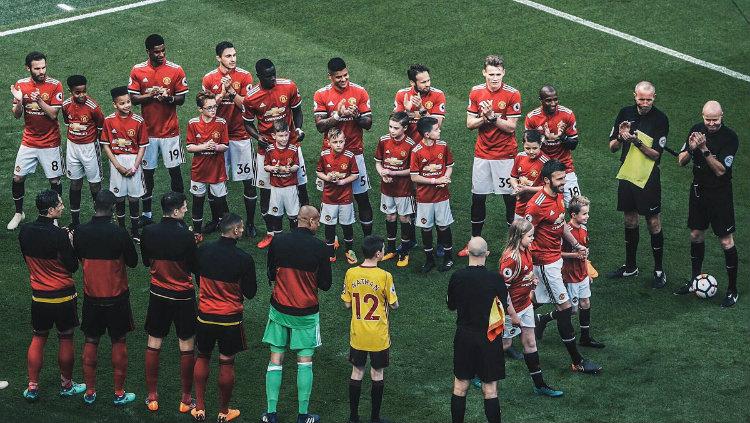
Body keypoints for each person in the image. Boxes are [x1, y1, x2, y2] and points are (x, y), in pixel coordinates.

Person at [527, 160, 601, 374]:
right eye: (560, 179)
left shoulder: (558, 197)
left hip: (554, 260)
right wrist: (529, 265)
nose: (564, 182)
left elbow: (560, 227)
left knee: (533, 301)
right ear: (547, 180)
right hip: (545, 263)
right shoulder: (536, 204)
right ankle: (577, 361)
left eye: (564, 177)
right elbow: (524, 236)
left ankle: (510, 327)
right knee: (565, 308)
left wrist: (577, 245)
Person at [262, 205, 332, 423]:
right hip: (306, 312)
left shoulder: (279, 241)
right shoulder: (320, 247)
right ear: (310, 222)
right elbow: (326, 284)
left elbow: (270, 272)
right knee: (305, 361)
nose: (319, 224)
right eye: (317, 221)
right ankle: (303, 416)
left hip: (280, 308)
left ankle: (271, 413)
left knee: (276, 358)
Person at [73, 190, 139, 406]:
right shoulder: (119, 233)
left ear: (94, 206)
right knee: (118, 341)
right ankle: (119, 393)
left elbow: (77, 259)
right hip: (116, 297)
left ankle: (90, 392)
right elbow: (133, 261)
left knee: (91, 340)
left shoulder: (80, 231)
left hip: (92, 297)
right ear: (112, 209)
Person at [19, 190, 85, 401]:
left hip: (39, 296)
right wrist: (71, 242)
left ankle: (32, 387)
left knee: (38, 337)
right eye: (59, 204)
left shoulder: (25, 231)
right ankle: (66, 385)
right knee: (65, 337)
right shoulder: (60, 235)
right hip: (63, 296)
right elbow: (72, 266)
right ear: (50, 211)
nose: (62, 206)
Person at [191, 213, 257, 423]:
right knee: (226, 362)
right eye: (242, 227)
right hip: (230, 319)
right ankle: (223, 411)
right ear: (235, 230)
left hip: (205, 315)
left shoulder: (203, 251)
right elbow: (251, 292)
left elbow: (197, 276)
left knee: (202, 356)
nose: (243, 230)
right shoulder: (244, 258)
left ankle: (199, 408)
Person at [674, 101, 739, 307]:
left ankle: (732, 289)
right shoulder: (695, 130)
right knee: (695, 234)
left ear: (722, 116)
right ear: (702, 116)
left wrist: (703, 149)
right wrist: (692, 149)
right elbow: (681, 161)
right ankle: (695, 280)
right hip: (699, 191)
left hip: (720, 195)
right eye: (708, 119)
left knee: (726, 241)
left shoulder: (730, 138)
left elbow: (721, 171)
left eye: (715, 120)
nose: (711, 124)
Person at [140, 191, 199, 412]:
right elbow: (194, 266)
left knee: (154, 342)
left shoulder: (148, 231)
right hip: (183, 296)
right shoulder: (186, 236)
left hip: (158, 294)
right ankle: (185, 400)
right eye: (183, 207)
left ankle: (152, 397)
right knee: (186, 345)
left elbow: (146, 261)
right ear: (175, 211)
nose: (186, 209)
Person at [606, 81, 669, 288]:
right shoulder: (624, 113)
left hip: (648, 177)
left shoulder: (660, 119)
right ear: (634, 96)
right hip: (627, 174)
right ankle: (631, 266)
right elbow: (612, 147)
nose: (644, 103)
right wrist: (621, 137)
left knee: (653, 222)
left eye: (648, 99)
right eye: (641, 99)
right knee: (630, 220)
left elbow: (656, 154)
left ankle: (659, 270)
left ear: (655, 97)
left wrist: (636, 141)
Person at [458, 55, 522, 257]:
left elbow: (511, 128)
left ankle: (514, 246)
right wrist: (484, 118)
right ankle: (473, 242)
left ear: (504, 73)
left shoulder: (513, 94)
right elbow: (470, 124)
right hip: (482, 155)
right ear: (484, 72)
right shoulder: (476, 92)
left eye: (498, 74)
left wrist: (492, 118)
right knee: (478, 198)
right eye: (491, 74)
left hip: (505, 156)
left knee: (509, 200)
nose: (495, 78)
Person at [243, 58, 307, 243]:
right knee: (265, 190)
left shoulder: (288, 86)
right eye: (268, 76)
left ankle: (303, 230)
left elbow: (297, 111)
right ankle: (271, 232)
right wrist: (258, 137)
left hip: (292, 146)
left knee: (300, 186)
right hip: (267, 150)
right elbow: (247, 123)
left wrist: (299, 129)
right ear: (259, 76)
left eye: (274, 74)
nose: (273, 79)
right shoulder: (251, 97)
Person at [128, 33, 189, 225]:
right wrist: (152, 94)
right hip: (148, 133)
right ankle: (146, 214)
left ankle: (179, 212)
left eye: (163, 50)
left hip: (170, 132)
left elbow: (181, 99)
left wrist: (168, 97)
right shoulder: (138, 70)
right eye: (157, 51)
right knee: (147, 174)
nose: (161, 54)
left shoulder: (176, 70)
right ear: (148, 52)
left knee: (175, 172)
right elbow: (133, 98)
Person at [499, 219, 563, 397]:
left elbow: (525, 274)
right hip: (510, 310)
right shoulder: (510, 260)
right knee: (505, 344)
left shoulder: (526, 249)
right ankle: (475, 371)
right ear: (519, 237)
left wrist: (531, 280)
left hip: (524, 304)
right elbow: (502, 292)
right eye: (530, 236)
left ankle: (539, 385)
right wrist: (513, 315)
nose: (533, 239)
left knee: (530, 343)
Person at [447, 237, 506, 423]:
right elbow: (503, 305)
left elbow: (451, 305)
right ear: (487, 254)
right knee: (490, 389)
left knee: (459, 386)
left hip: (464, 336)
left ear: (467, 253)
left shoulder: (457, 277)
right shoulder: (495, 279)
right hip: (489, 338)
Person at [313, 57, 374, 237]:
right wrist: (338, 116)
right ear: (330, 77)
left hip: (355, 154)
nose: (343, 79)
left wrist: (356, 116)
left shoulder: (359, 91)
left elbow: (368, 123)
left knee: (362, 199)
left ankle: (368, 239)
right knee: (330, 199)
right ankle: (335, 239)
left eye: (345, 75)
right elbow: (319, 126)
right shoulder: (321, 94)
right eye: (338, 76)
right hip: (329, 156)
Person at [342, 235, 399, 423]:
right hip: (378, 336)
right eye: (382, 249)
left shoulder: (351, 273)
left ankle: (353, 417)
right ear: (377, 253)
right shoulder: (385, 276)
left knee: (357, 372)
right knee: (377, 373)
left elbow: (347, 304)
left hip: (358, 334)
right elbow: (394, 305)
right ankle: (375, 418)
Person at [202, 41, 257, 236]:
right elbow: (207, 110)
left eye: (234, 55)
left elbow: (247, 107)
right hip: (217, 138)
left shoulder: (244, 76)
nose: (233, 59)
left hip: (241, 136)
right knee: (215, 181)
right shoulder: (209, 79)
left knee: (248, 181)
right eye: (228, 56)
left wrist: (232, 92)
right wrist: (221, 94)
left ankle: (250, 223)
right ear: (219, 58)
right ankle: (222, 220)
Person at [9, 51, 65, 230]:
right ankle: (19, 213)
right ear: (28, 68)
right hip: (29, 141)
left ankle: (54, 215)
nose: (42, 71)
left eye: (44, 67)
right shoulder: (21, 85)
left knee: (55, 181)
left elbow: (54, 114)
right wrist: (18, 102)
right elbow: (17, 115)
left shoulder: (55, 85)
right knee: (17, 178)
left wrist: (39, 100)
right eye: (37, 68)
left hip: (50, 142)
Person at [100, 86, 148, 241]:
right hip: (117, 161)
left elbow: (142, 146)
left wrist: (135, 166)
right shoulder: (108, 121)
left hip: (134, 160)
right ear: (115, 105)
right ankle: (121, 231)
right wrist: (118, 166)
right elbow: (106, 145)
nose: (127, 105)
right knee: (119, 198)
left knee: (134, 198)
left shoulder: (138, 121)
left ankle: (134, 232)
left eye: (128, 102)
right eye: (122, 103)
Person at [410, 116, 454, 272]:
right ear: (427, 134)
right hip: (424, 198)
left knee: (443, 226)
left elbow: (449, 166)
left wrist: (446, 177)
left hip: (442, 196)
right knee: (426, 228)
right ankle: (429, 260)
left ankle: (448, 257)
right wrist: (436, 181)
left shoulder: (443, 146)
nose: (439, 130)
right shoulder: (416, 151)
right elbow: (414, 176)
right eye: (436, 129)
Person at [524, 85, 580, 206]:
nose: (553, 103)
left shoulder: (567, 114)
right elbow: (529, 144)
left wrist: (561, 137)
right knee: (539, 207)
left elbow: (574, 144)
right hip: (541, 168)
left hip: (565, 167)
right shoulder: (532, 117)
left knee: (576, 206)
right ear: (541, 100)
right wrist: (545, 137)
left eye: (555, 99)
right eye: (548, 100)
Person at [61, 74, 104, 229]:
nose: (81, 95)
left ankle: (101, 219)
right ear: (70, 91)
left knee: (94, 184)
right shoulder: (65, 105)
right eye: (77, 93)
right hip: (72, 147)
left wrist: (94, 143)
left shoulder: (94, 107)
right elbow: (67, 121)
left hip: (90, 148)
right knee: (75, 182)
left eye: (84, 91)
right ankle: (75, 221)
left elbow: (100, 128)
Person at [561, 196, 604, 348]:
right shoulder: (566, 232)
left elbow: (583, 253)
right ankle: (543, 319)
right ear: (573, 215)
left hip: (582, 273)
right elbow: (555, 253)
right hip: (570, 275)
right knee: (572, 310)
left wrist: (587, 271)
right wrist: (575, 255)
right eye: (584, 214)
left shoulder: (584, 228)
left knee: (585, 302)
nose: (587, 216)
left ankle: (585, 338)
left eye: (587, 213)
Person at [375, 112, 416, 266]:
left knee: (404, 218)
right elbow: (378, 162)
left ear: (405, 128)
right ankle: (391, 249)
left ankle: (404, 252)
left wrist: (393, 173)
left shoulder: (411, 145)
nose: (392, 130)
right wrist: (382, 174)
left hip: (404, 190)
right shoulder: (383, 140)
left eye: (396, 128)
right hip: (387, 188)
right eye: (390, 126)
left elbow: (413, 170)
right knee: (390, 217)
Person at [186, 91, 229, 235]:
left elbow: (225, 145)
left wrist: (216, 147)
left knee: (220, 201)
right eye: (209, 108)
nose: (213, 110)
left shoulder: (221, 123)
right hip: (199, 171)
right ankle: (197, 233)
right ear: (200, 109)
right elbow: (189, 147)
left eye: (214, 107)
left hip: (217, 170)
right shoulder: (193, 123)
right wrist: (204, 147)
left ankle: (226, 231)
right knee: (198, 201)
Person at [316, 128, 360, 264]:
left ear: (345, 141)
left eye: (341, 141)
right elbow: (318, 172)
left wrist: (343, 181)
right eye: (335, 142)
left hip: (345, 198)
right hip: (329, 198)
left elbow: (355, 174)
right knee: (329, 226)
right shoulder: (324, 155)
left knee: (347, 225)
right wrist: (327, 177)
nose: (339, 144)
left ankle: (349, 251)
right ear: (328, 142)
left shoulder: (350, 156)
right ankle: (330, 252)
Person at [264, 120, 301, 238]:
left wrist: (290, 169)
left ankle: (295, 239)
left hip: (290, 187)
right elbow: (266, 166)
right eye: (281, 136)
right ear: (274, 136)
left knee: (293, 215)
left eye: (286, 135)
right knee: (276, 215)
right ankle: (278, 240)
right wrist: (273, 168)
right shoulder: (269, 150)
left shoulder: (293, 149)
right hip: (276, 188)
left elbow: (296, 165)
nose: (284, 138)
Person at [393, 64, 446, 142]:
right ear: (412, 82)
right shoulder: (402, 94)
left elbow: (437, 124)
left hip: (427, 143)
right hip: (405, 143)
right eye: (423, 82)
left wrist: (422, 109)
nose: (428, 84)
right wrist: (407, 111)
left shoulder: (438, 95)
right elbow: (396, 125)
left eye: (428, 80)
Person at [509, 130, 549, 220]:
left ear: (540, 145)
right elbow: (513, 177)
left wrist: (526, 189)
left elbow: (548, 188)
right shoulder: (520, 157)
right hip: (521, 205)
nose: (531, 152)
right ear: (523, 144)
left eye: (535, 148)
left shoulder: (546, 162)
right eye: (527, 148)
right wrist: (516, 187)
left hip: (538, 206)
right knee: (519, 232)